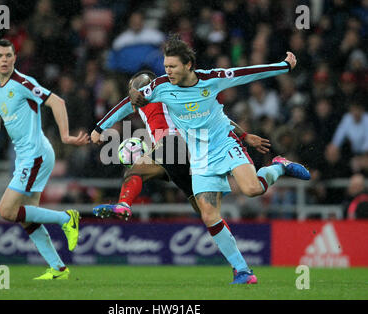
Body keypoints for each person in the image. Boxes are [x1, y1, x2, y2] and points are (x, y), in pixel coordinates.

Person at [94, 35, 311, 285]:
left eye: (172, 66)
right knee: (209, 216)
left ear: (188, 65)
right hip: (197, 158)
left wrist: (283, 66)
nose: (168, 72)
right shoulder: (160, 88)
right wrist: (100, 127)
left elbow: (248, 72)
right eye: (165, 67)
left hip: (223, 143)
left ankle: (277, 167)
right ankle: (243, 271)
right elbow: (128, 102)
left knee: (252, 189)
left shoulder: (211, 79)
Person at [0, 39, 90, 280]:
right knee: (27, 215)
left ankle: (67, 218)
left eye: (9, 55)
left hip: (36, 153)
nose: (4, 60)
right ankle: (58, 268)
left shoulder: (23, 82)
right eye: (0, 55)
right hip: (26, 156)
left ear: (14, 58)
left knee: (6, 210)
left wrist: (65, 136)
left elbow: (56, 101)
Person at [91, 70, 271, 221]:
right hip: (178, 154)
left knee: (134, 172)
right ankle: (238, 254)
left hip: (174, 143)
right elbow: (216, 119)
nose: (135, 92)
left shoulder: (151, 93)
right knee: (206, 214)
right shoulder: (171, 98)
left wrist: (99, 128)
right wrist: (245, 135)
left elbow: (136, 90)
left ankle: (124, 205)